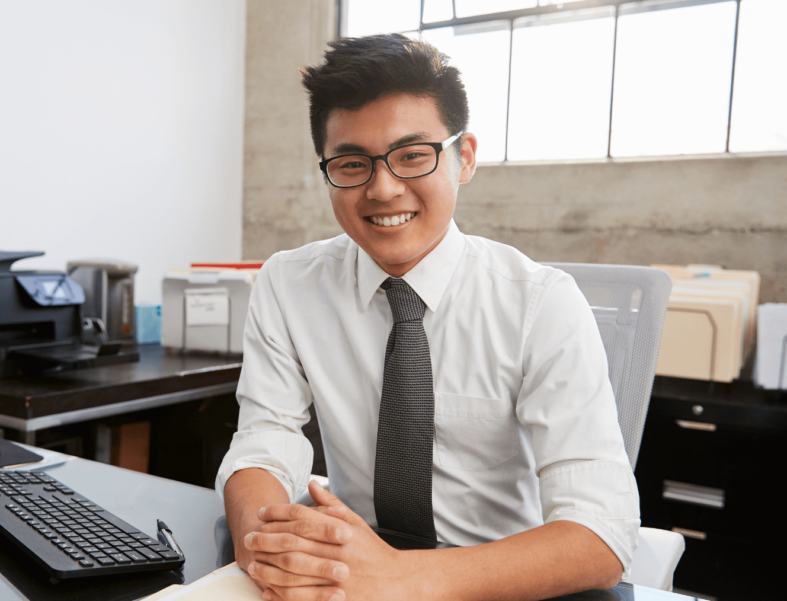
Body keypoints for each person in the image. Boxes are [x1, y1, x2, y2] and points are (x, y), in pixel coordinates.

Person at [217, 34, 639, 601]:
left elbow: (600, 536)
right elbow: (265, 442)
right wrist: (262, 543)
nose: (383, 188)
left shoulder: (542, 303)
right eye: (351, 163)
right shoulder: (288, 283)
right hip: (351, 576)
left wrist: (399, 578)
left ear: (463, 158)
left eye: (413, 156)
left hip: (494, 581)